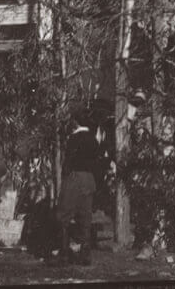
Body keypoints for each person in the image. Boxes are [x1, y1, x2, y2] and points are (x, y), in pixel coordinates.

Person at [55, 109, 108, 265]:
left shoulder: (74, 138)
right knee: (85, 218)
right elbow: (99, 163)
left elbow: (68, 162)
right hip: (89, 180)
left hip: (75, 178)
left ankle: (64, 253)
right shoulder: (93, 139)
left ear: (75, 122)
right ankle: (85, 255)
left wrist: (66, 176)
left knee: (63, 215)